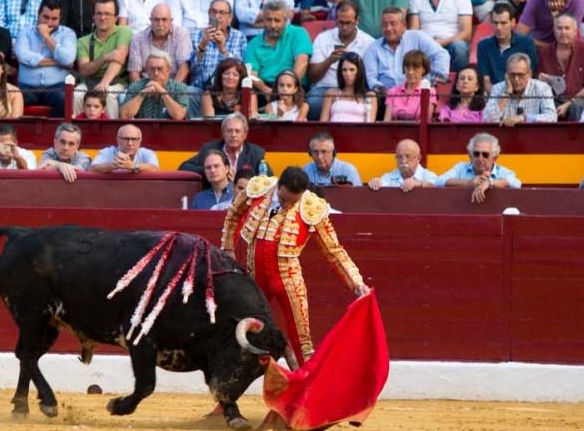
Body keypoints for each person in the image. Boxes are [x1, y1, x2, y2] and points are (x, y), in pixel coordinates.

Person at [221, 165, 371, 365]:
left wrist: (356, 281)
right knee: (242, 328)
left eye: (292, 202)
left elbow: (333, 250)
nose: (285, 205)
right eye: (283, 199)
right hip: (254, 276)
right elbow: (233, 214)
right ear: (278, 186)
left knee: (302, 338)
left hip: (288, 278)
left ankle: (306, 385)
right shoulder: (259, 188)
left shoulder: (311, 206)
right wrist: (228, 248)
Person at [306, 0, 374, 118]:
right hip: (324, 88)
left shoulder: (368, 42)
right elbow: (312, 76)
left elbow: (369, 78)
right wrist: (329, 61)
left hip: (355, 90)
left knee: (369, 102)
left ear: (357, 21)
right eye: (341, 22)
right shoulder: (323, 38)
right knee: (314, 103)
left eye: (348, 23)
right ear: (336, 20)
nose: (344, 27)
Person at [13, 0, 75, 117]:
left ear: (60, 18)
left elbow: (68, 58)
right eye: (45, 17)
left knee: (64, 100)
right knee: (11, 99)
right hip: (28, 87)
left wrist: (46, 37)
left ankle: (54, 133)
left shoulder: (68, 33)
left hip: (56, 87)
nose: (49, 23)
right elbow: (23, 56)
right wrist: (58, 61)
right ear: (38, 14)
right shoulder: (25, 32)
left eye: (54, 19)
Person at [363, 6, 450, 93]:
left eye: (393, 24)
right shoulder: (373, 48)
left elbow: (441, 55)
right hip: (386, 96)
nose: (388, 28)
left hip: (419, 92)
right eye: (384, 24)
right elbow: (371, 79)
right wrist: (387, 92)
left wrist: (433, 80)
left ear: (404, 24)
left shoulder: (418, 37)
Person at [74, 0, 132, 118]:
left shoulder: (124, 31)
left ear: (116, 17)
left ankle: (112, 133)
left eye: (107, 14)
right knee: (77, 94)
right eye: (99, 13)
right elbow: (84, 70)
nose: (102, 17)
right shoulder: (83, 41)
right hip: (90, 82)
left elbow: (119, 58)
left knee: (109, 95)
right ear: (93, 16)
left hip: (117, 82)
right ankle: (76, 133)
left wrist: (105, 83)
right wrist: (105, 58)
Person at [244, 0, 312, 100]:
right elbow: (252, 75)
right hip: (264, 88)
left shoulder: (299, 33)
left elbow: (302, 63)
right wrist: (266, 90)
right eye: (269, 20)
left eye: (277, 20)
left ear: (285, 20)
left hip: (294, 85)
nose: (272, 25)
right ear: (263, 20)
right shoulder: (253, 44)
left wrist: (288, 88)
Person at [537, 13, 584, 120]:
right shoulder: (545, 52)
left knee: (576, 107)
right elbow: (540, 83)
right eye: (559, 28)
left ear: (575, 31)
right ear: (554, 30)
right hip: (554, 99)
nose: (563, 32)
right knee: (543, 106)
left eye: (567, 28)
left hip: (579, 99)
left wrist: (569, 104)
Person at [437, 132, 521, 203]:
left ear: (494, 158)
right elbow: (439, 181)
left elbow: (516, 183)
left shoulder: (502, 171)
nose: (480, 159)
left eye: (485, 154)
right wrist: (467, 183)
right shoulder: (460, 168)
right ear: (470, 156)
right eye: (476, 154)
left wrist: (489, 183)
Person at [179, 112, 265, 178]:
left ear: (245, 134)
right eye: (229, 131)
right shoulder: (209, 149)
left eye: (237, 131)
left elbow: (267, 180)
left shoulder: (256, 153)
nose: (233, 135)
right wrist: (211, 170)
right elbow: (184, 167)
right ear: (223, 133)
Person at [476, 2, 537, 91]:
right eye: (495, 23)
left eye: (503, 23)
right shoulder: (483, 46)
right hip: (494, 94)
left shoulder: (526, 42)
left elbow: (530, 74)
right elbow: (485, 80)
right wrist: (500, 97)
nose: (499, 27)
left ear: (513, 22)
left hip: (521, 93)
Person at [188, 0, 246, 92]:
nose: (217, 16)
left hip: (226, 91)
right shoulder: (195, 35)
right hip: (200, 89)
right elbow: (193, 70)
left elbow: (239, 70)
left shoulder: (239, 37)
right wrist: (203, 44)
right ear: (208, 15)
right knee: (189, 91)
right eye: (213, 12)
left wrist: (223, 49)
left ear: (230, 18)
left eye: (222, 13)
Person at [483, 51, 558, 124]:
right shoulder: (497, 88)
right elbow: (487, 119)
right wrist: (506, 93)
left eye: (520, 75)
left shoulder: (543, 88)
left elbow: (552, 117)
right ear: (506, 74)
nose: (516, 79)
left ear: (529, 74)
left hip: (533, 135)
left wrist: (524, 117)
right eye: (512, 75)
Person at [119, 49, 191, 119]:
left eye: (160, 68)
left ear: (169, 69)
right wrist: (142, 94)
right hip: (142, 129)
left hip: (171, 130)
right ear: (147, 69)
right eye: (152, 69)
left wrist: (162, 92)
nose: (156, 73)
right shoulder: (136, 86)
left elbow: (179, 116)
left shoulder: (179, 88)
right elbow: (124, 115)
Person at [126, 3, 190, 83]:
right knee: (122, 96)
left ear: (171, 21)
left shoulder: (181, 34)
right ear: (151, 20)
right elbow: (134, 71)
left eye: (164, 20)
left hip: (174, 85)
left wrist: (172, 91)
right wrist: (142, 92)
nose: (160, 24)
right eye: (156, 20)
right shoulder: (138, 39)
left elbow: (184, 66)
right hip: (146, 86)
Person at [320, 50, 378, 122]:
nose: (348, 74)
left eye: (352, 70)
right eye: (344, 70)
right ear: (340, 72)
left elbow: (370, 124)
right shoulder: (331, 93)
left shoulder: (369, 95)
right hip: (334, 132)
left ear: (359, 71)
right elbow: (323, 123)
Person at [384, 49, 438, 121]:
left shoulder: (430, 92)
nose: (410, 72)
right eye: (407, 68)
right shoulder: (392, 92)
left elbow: (425, 120)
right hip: (394, 131)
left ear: (424, 69)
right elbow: (387, 121)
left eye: (415, 68)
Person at [368, 138, 438, 190]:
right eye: (399, 157)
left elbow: (436, 184)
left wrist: (419, 184)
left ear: (418, 158)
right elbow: (381, 183)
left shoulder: (428, 176)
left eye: (408, 156)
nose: (403, 161)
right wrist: (375, 182)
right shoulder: (388, 178)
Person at [90, 123, 160, 173]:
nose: (130, 143)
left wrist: (132, 166)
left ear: (140, 141)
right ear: (118, 140)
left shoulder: (147, 153)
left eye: (134, 139)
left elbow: (155, 169)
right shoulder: (107, 152)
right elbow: (92, 169)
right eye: (126, 139)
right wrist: (114, 165)